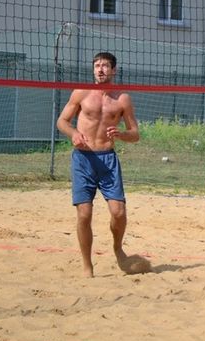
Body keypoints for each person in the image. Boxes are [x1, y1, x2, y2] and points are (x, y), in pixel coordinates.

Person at [57, 52, 144, 278]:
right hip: (83, 159)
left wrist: (122, 134)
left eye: (105, 66)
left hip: (107, 160)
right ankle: (87, 266)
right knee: (84, 214)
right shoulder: (81, 92)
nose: (100, 69)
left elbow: (135, 134)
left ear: (114, 70)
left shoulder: (122, 99)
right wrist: (74, 133)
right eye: (97, 65)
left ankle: (117, 248)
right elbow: (62, 121)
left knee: (119, 212)